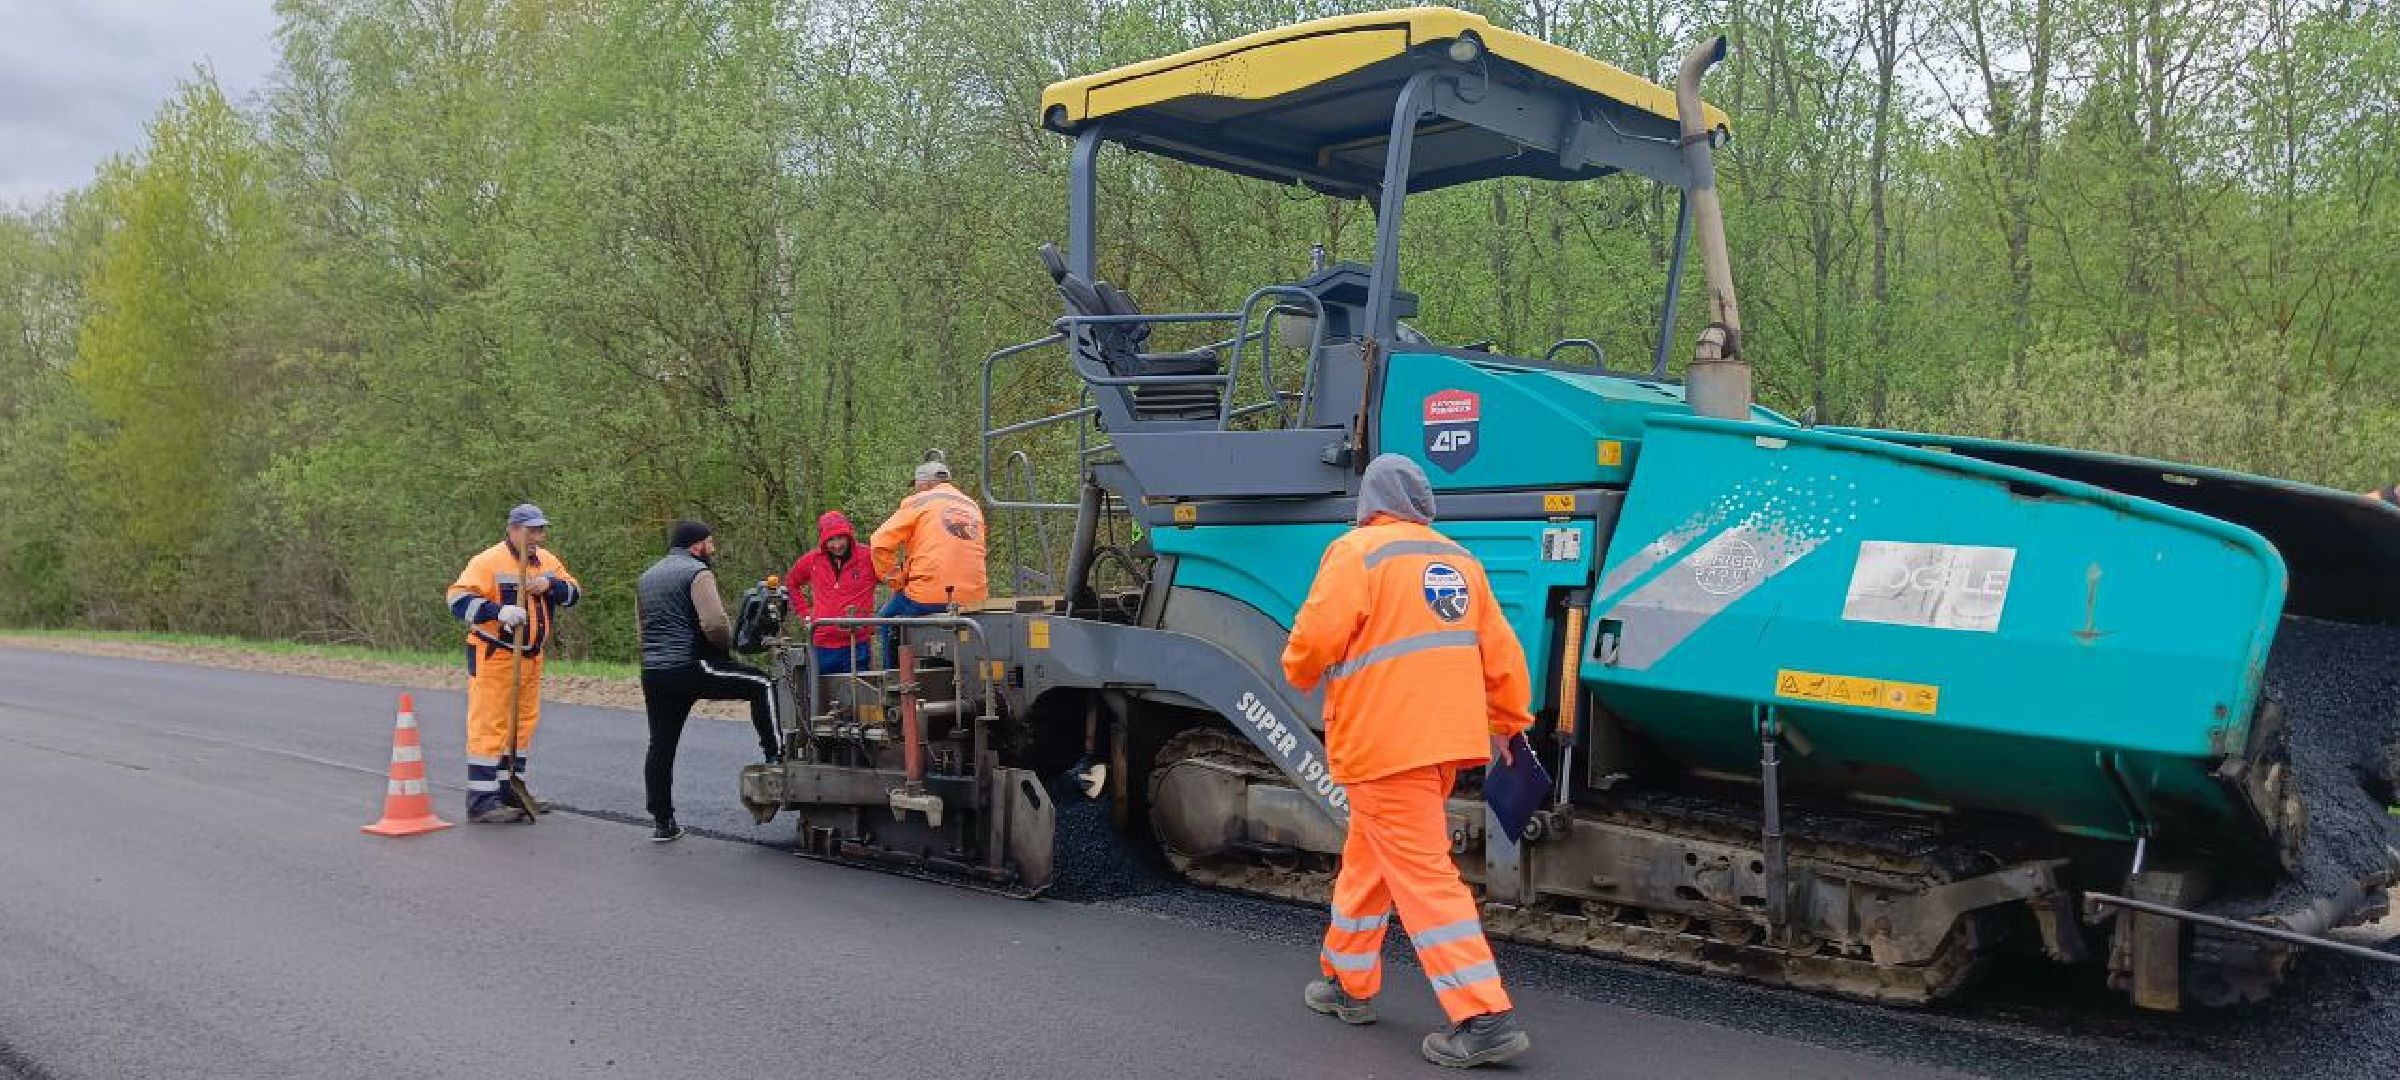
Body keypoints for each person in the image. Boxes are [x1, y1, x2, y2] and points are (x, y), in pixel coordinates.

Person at [1281, 454, 1535, 1069]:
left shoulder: (1358, 553)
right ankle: (1347, 980)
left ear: (1370, 502)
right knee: (1369, 862)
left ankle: (1482, 1017)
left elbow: (1313, 642)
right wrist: (1509, 722)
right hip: (1442, 744)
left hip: (1383, 744)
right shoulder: (1459, 560)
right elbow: (1502, 653)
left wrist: (1299, 669)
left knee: (1423, 878)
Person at [635, 519, 781, 843]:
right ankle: (776, 756)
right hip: (691, 665)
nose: (713, 550)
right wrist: (726, 649)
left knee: (661, 745)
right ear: (697, 545)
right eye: (710, 544)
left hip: (654, 672)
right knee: (763, 685)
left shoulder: (646, 578)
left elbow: (642, 632)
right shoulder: (697, 572)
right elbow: (714, 622)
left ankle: (663, 822)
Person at [445, 503, 583, 824]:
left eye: (541, 530)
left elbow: (574, 593)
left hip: (531, 657)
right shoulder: (488, 561)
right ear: (513, 530)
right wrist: (498, 612)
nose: (539, 536)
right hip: (495, 655)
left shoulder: (548, 562)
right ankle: (481, 800)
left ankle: (510, 789)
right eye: (532, 530)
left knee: (521, 725)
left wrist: (552, 586)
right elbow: (456, 598)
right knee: (490, 724)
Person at [870, 461, 988, 662]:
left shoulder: (919, 502)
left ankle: (894, 679)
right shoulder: (972, 506)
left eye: (915, 484)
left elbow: (879, 543)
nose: (915, 488)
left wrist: (895, 580)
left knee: (886, 619)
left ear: (924, 483)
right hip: (975, 599)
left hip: (927, 595)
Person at [787, 510, 878, 674]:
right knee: (821, 696)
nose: (837, 545)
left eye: (841, 538)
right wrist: (805, 614)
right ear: (823, 540)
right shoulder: (813, 560)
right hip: (823, 643)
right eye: (831, 539)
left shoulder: (869, 557)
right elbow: (791, 583)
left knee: (862, 695)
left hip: (857, 643)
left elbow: (894, 579)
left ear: (849, 535)